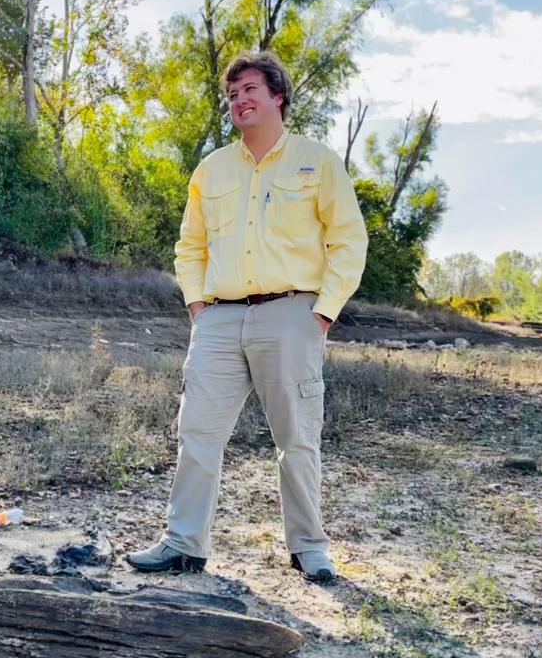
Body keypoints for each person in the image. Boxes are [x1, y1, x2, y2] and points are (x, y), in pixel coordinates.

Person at [125, 51, 368, 583]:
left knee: (297, 438)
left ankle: (309, 547)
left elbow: (349, 241)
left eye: (250, 90)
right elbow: (189, 246)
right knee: (196, 433)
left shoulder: (317, 160)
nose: (240, 101)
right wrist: (196, 305)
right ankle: (183, 543)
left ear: (278, 95)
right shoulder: (212, 169)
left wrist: (321, 314)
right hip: (218, 319)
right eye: (232, 95)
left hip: (291, 315)